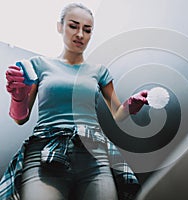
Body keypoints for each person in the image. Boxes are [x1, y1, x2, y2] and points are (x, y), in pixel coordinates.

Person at [0, 2, 148, 200]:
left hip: (94, 155)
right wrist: (17, 97)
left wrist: (131, 105)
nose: (80, 34)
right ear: (60, 27)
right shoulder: (39, 65)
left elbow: (118, 114)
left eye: (87, 30)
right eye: (73, 26)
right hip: (45, 152)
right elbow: (20, 118)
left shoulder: (99, 71)